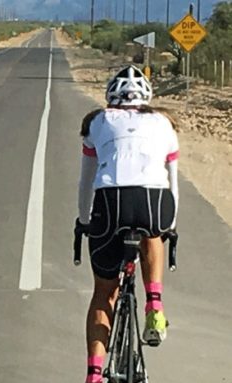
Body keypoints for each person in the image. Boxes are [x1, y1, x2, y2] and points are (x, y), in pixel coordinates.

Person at [75, 65, 179, 383]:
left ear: (111, 98)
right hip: (154, 202)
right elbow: (172, 183)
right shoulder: (165, 123)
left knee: (103, 293)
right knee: (155, 233)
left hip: (109, 204)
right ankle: (154, 306)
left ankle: (94, 376)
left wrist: (83, 222)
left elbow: (86, 181)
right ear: (146, 97)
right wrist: (169, 225)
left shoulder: (97, 121)